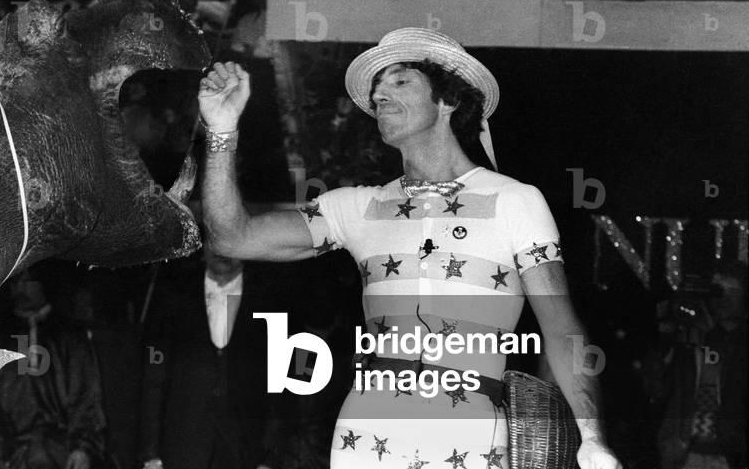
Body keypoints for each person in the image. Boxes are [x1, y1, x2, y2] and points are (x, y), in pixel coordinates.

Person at [196, 30, 623, 469]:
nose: (379, 94)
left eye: (400, 81)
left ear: (448, 99)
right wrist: (221, 129)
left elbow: (561, 329)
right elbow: (232, 237)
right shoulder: (359, 207)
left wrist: (591, 437)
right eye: (377, 88)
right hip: (365, 434)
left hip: (468, 435)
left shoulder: (515, 202)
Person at [139, 249, 274, 469]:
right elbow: (154, 377)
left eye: (230, 241)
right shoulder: (174, 297)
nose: (222, 250)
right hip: (182, 450)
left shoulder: (268, 300)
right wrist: (150, 453)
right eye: (216, 239)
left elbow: (283, 387)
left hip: (245, 453)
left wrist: (270, 459)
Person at [0, 270, 106, 469]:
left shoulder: (69, 337)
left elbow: (86, 395)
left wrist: (83, 447)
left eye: (28, 281)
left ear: (44, 282)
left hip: (54, 453)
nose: (20, 288)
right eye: (15, 282)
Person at [646, 265, 747, 469]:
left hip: (733, 455)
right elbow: (655, 387)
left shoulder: (739, 341)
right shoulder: (690, 338)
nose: (723, 298)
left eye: (732, 291)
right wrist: (664, 335)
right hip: (686, 454)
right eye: (718, 290)